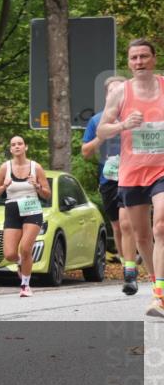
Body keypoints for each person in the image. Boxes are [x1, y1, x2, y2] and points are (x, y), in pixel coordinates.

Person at [97, 38, 164, 318]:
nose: (139, 62)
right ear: (129, 62)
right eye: (134, 58)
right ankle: (156, 283)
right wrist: (124, 124)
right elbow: (102, 131)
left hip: (161, 169)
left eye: (144, 57)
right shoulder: (120, 93)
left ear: (154, 58)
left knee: (161, 226)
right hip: (133, 172)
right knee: (142, 236)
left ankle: (160, 297)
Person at [82, 75, 139, 292]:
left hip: (131, 176)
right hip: (108, 179)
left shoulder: (134, 118)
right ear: (107, 96)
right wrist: (101, 137)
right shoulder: (97, 121)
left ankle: (130, 270)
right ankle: (127, 263)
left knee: (127, 224)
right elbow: (86, 152)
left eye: (119, 90)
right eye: (111, 91)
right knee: (116, 225)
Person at [0, 136, 52, 297]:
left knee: (25, 248)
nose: (17, 146)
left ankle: (25, 285)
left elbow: (47, 194)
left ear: (25, 147)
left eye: (20, 144)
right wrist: (4, 186)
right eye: (13, 145)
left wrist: (37, 185)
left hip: (32, 209)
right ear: (10, 149)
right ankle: (21, 263)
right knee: (9, 254)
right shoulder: (5, 168)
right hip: (12, 210)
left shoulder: (36, 167)